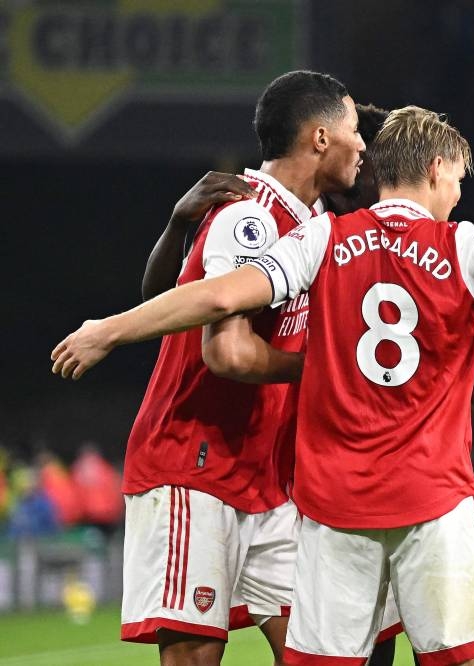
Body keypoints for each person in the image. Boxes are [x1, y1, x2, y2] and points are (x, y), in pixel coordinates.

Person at [51, 107, 474, 665]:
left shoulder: (322, 238)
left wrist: (110, 329)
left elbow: (218, 296)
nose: (458, 194)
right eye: (459, 180)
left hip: (334, 507)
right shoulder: (463, 245)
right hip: (434, 500)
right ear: (437, 169)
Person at [93, 70, 363, 666]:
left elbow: (163, 290)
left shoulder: (312, 226)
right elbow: (228, 353)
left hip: (266, 477)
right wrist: (333, 369)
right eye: (353, 128)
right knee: (194, 657)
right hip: (195, 462)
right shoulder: (252, 216)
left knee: (329, 649)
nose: (362, 144)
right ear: (319, 138)